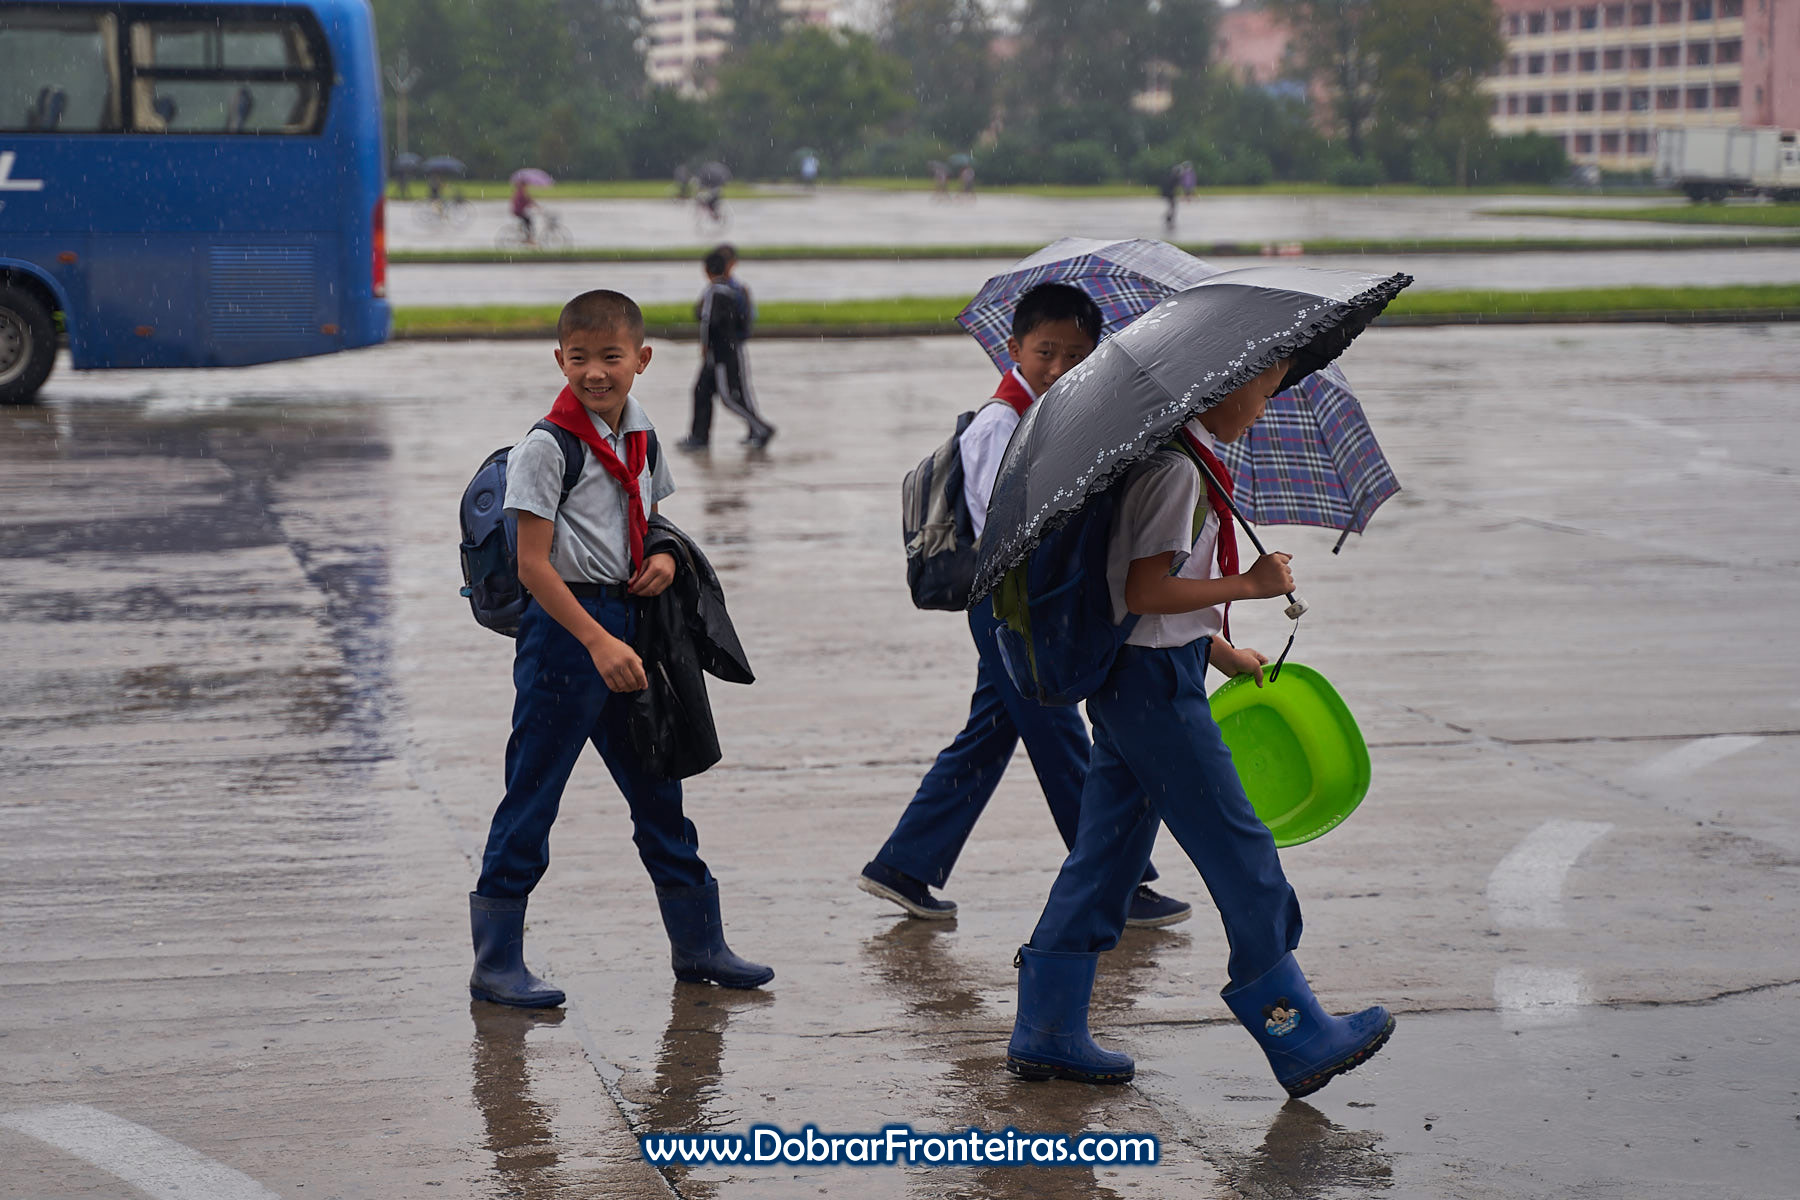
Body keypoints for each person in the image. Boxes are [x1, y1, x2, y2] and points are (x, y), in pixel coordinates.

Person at [1004, 358, 1394, 1096]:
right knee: (1241, 851)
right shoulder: (1175, 472)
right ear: (1220, 384)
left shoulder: (1178, 459)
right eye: (1264, 385)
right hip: (1152, 690)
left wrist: (1216, 651)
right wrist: (1250, 585)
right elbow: (1144, 587)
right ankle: (1296, 1030)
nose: (1266, 401)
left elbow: (1146, 596)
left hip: (1146, 676)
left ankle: (1047, 1029)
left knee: (1108, 862)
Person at [469, 289, 773, 1009]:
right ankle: (496, 962)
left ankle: (700, 947)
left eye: (610, 357)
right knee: (532, 797)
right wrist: (597, 640)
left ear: (641, 358)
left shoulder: (640, 433)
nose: (595, 372)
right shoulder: (546, 449)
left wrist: (664, 558)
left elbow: (653, 518)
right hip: (568, 634)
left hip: (629, 625)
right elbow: (533, 565)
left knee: (659, 791)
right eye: (580, 359)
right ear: (559, 359)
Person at [859, 284, 1192, 929]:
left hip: (1030, 600)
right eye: (1045, 352)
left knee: (992, 731)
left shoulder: (1058, 414)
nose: (1060, 367)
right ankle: (1119, 881)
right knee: (1062, 736)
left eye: (1077, 353)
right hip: (1013, 604)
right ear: (1012, 349)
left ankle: (904, 864)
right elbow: (1005, 527)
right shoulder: (999, 424)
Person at [678, 247, 775, 452]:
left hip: (721, 351)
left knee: (729, 396)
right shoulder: (735, 290)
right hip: (728, 348)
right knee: (702, 390)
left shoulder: (717, 291)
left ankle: (761, 428)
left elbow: (707, 321)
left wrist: (705, 345)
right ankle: (699, 436)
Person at [510, 177, 537, 244]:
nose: (527, 186)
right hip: (519, 211)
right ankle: (528, 238)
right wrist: (534, 205)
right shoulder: (521, 193)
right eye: (526, 185)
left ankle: (527, 236)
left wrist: (533, 204)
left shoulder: (521, 192)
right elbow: (527, 201)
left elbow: (528, 200)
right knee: (528, 221)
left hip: (519, 211)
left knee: (527, 221)